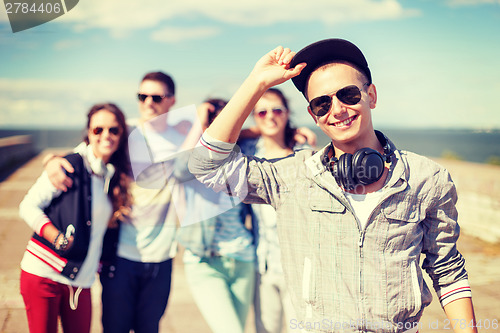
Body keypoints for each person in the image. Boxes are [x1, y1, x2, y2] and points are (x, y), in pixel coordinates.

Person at [188, 38, 477, 333]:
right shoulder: (292, 178)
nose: (337, 110)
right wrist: (256, 83)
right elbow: (206, 165)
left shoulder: (426, 179)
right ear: (314, 115)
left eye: (348, 94)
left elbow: (448, 270)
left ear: (371, 96)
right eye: (322, 103)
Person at [45, 72, 191, 333]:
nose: (148, 102)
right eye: (142, 96)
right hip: (121, 255)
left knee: (149, 328)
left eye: (156, 97)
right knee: (114, 327)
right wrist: (52, 160)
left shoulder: (184, 138)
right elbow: (86, 151)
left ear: (172, 101)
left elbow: (221, 137)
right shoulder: (126, 133)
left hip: (162, 256)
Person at [19, 103, 132, 333]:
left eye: (114, 130)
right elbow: (28, 206)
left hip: (81, 282)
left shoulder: (110, 174)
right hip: (44, 273)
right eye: (98, 130)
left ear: (122, 134)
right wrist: (57, 237)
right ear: (88, 133)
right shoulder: (69, 165)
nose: (106, 136)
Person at [175, 98, 257, 333]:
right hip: (205, 262)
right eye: (215, 122)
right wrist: (200, 119)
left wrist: (296, 132)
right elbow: (179, 169)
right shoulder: (198, 158)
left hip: (242, 258)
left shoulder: (243, 153)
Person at [239, 88, 303, 333]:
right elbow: (219, 138)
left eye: (277, 110)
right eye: (261, 112)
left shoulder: (304, 153)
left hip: (299, 268)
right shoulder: (248, 152)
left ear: (287, 113)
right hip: (263, 265)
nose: (270, 117)